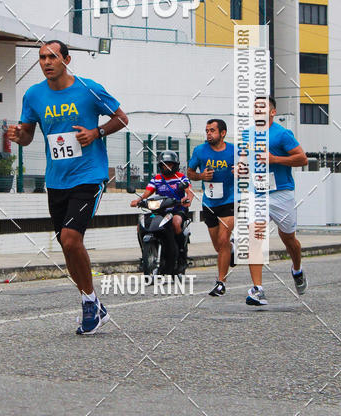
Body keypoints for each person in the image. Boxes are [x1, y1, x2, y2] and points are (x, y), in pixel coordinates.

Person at [8, 41, 128, 335]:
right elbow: (27, 137)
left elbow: (122, 118)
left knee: (71, 238)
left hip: (89, 176)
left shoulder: (88, 89)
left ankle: (89, 304)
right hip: (56, 180)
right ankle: (92, 301)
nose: (46, 62)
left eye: (52, 57)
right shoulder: (34, 95)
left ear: (66, 60)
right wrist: (17, 135)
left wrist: (96, 132)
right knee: (66, 243)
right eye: (41, 58)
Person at [246, 95, 308, 306]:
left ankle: (297, 269)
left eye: (261, 107)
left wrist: (275, 159)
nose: (257, 110)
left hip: (281, 193)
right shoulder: (249, 134)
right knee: (255, 237)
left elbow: (302, 158)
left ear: (272, 112)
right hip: (258, 193)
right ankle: (258, 289)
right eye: (255, 107)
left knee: (289, 239)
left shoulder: (282, 134)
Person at [187, 119, 236, 297]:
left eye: (212, 131)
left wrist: (240, 171)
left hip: (230, 200)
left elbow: (248, 169)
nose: (209, 134)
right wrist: (200, 176)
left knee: (223, 240)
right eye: (207, 130)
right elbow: (190, 173)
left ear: (223, 133)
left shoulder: (234, 151)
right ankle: (232, 248)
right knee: (218, 245)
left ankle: (221, 282)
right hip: (209, 203)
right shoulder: (199, 151)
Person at [130, 150, 193, 270]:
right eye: (164, 164)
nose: (167, 167)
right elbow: (147, 192)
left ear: (175, 165)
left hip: (177, 208)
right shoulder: (157, 179)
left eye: (169, 164)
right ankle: (145, 254)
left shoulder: (181, 178)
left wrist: (187, 199)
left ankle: (181, 255)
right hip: (161, 210)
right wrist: (138, 200)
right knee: (141, 225)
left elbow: (189, 192)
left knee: (176, 222)